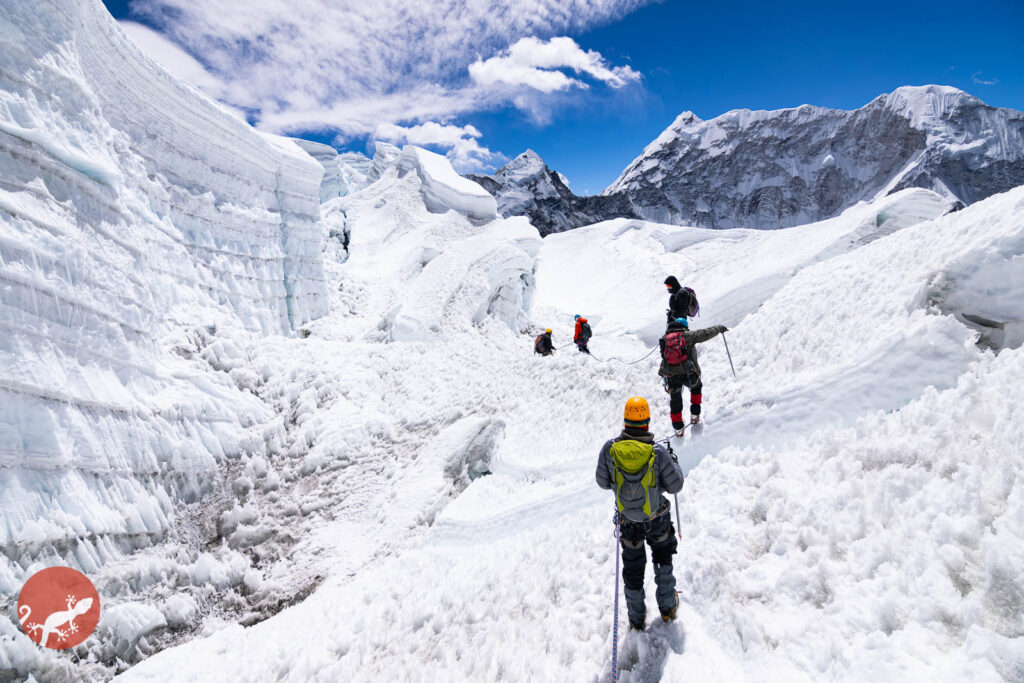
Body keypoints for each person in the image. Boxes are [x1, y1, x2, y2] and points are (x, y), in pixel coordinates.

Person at [596, 396, 685, 630]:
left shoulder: (610, 449)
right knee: (663, 559)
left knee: (633, 568)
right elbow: (675, 486)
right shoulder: (656, 452)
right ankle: (667, 608)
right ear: (646, 421)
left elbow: (602, 482)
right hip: (657, 519)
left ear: (626, 421)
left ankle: (636, 619)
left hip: (628, 522)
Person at [659, 317, 727, 435]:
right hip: (688, 373)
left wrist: (665, 377)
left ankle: (678, 428)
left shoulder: (664, 338)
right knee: (696, 388)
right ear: (684, 326)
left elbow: (665, 358)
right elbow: (705, 333)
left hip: (671, 374)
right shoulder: (687, 335)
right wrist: (719, 328)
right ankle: (694, 416)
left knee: (675, 399)